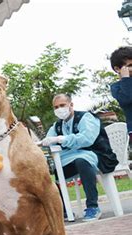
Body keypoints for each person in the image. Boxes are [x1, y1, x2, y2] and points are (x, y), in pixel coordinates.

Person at [41, 94, 118, 222]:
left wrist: (62, 139)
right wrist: (46, 142)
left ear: (71, 105)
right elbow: (49, 139)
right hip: (72, 157)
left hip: (97, 154)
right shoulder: (57, 126)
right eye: (56, 107)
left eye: (62, 105)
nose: (59, 109)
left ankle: (93, 207)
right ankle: (64, 210)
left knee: (82, 161)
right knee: (56, 171)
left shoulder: (85, 117)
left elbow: (87, 139)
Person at [110, 46, 132, 144]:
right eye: (130, 65)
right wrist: (126, 79)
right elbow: (127, 98)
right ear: (117, 69)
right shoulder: (116, 87)